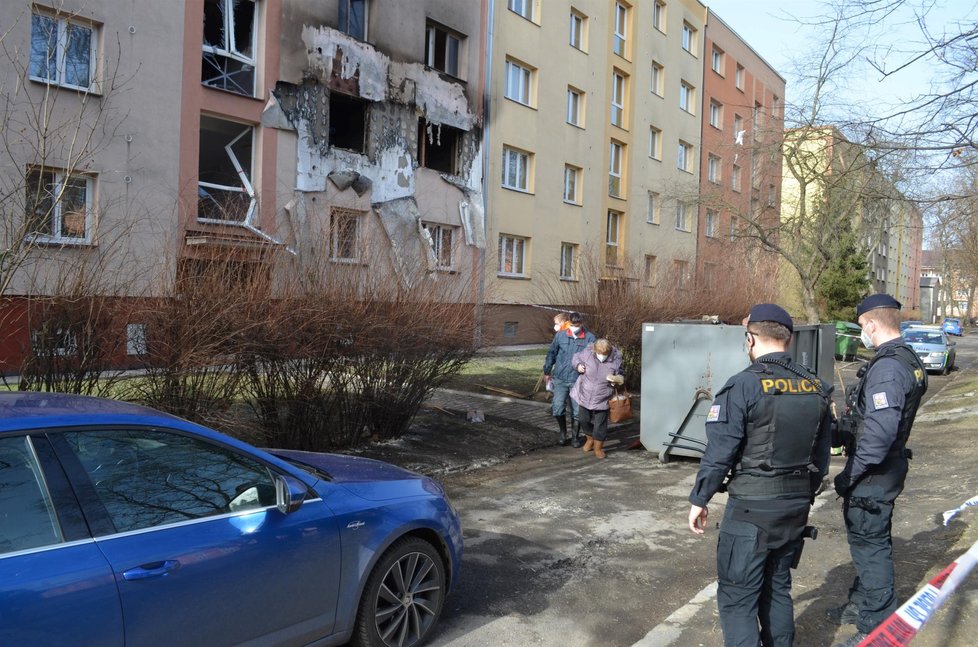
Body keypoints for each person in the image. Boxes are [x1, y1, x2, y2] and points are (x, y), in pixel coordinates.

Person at [687, 304, 832, 647]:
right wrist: (802, 495)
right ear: (789, 338)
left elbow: (719, 452)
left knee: (738, 599)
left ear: (750, 338)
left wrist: (700, 498)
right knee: (777, 587)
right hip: (794, 507)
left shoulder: (742, 386)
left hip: (752, 509)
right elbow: (822, 457)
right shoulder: (816, 386)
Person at [829, 294, 928, 647]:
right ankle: (863, 603)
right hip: (885, 467)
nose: (862, 333)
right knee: (870, 540)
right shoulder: (906, 356)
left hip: (875, 472)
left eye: (861, 327)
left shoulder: (887, 367)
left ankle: (876, 627)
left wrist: (850, 475)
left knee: (870, 546)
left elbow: (881, 432)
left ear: (870, 323)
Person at [543, 312, 596, 447]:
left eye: (576, 325)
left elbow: (594, 359)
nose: (574, 327)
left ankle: (575, 437)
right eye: (572, 325)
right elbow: (552, 353)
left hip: (578, 380)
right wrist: (547, 370)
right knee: (558, 408)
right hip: (560, 378)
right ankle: (562, 433)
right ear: (569, 323)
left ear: (581, 324)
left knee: (577, 412)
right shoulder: (560, 335)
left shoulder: (589, 338)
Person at [569, 339, 624, 459]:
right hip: (584, 393)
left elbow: (621, 374)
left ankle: (598, 448)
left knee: (600, 425)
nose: (602, 357)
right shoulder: (588, 352)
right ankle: (590, 438)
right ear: (595, 350)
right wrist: (578, 366)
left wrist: (617, 380)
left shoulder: (616, 358)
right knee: (583, 420)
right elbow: (575, 358)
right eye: (600, 354)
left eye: (605, 354)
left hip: (603, 396)